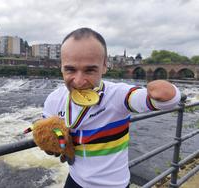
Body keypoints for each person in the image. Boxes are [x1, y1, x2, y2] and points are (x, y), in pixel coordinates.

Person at [42, 28, 181, 188]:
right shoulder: (54, 99)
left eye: (90, 70)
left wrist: (169, 94)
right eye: (70, 69)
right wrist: (57, 142)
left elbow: (158, 101)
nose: (79, 81)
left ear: (105, 66)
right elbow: (47, 129)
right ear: (61, 67)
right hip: (75, 181)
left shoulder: (118, 95)